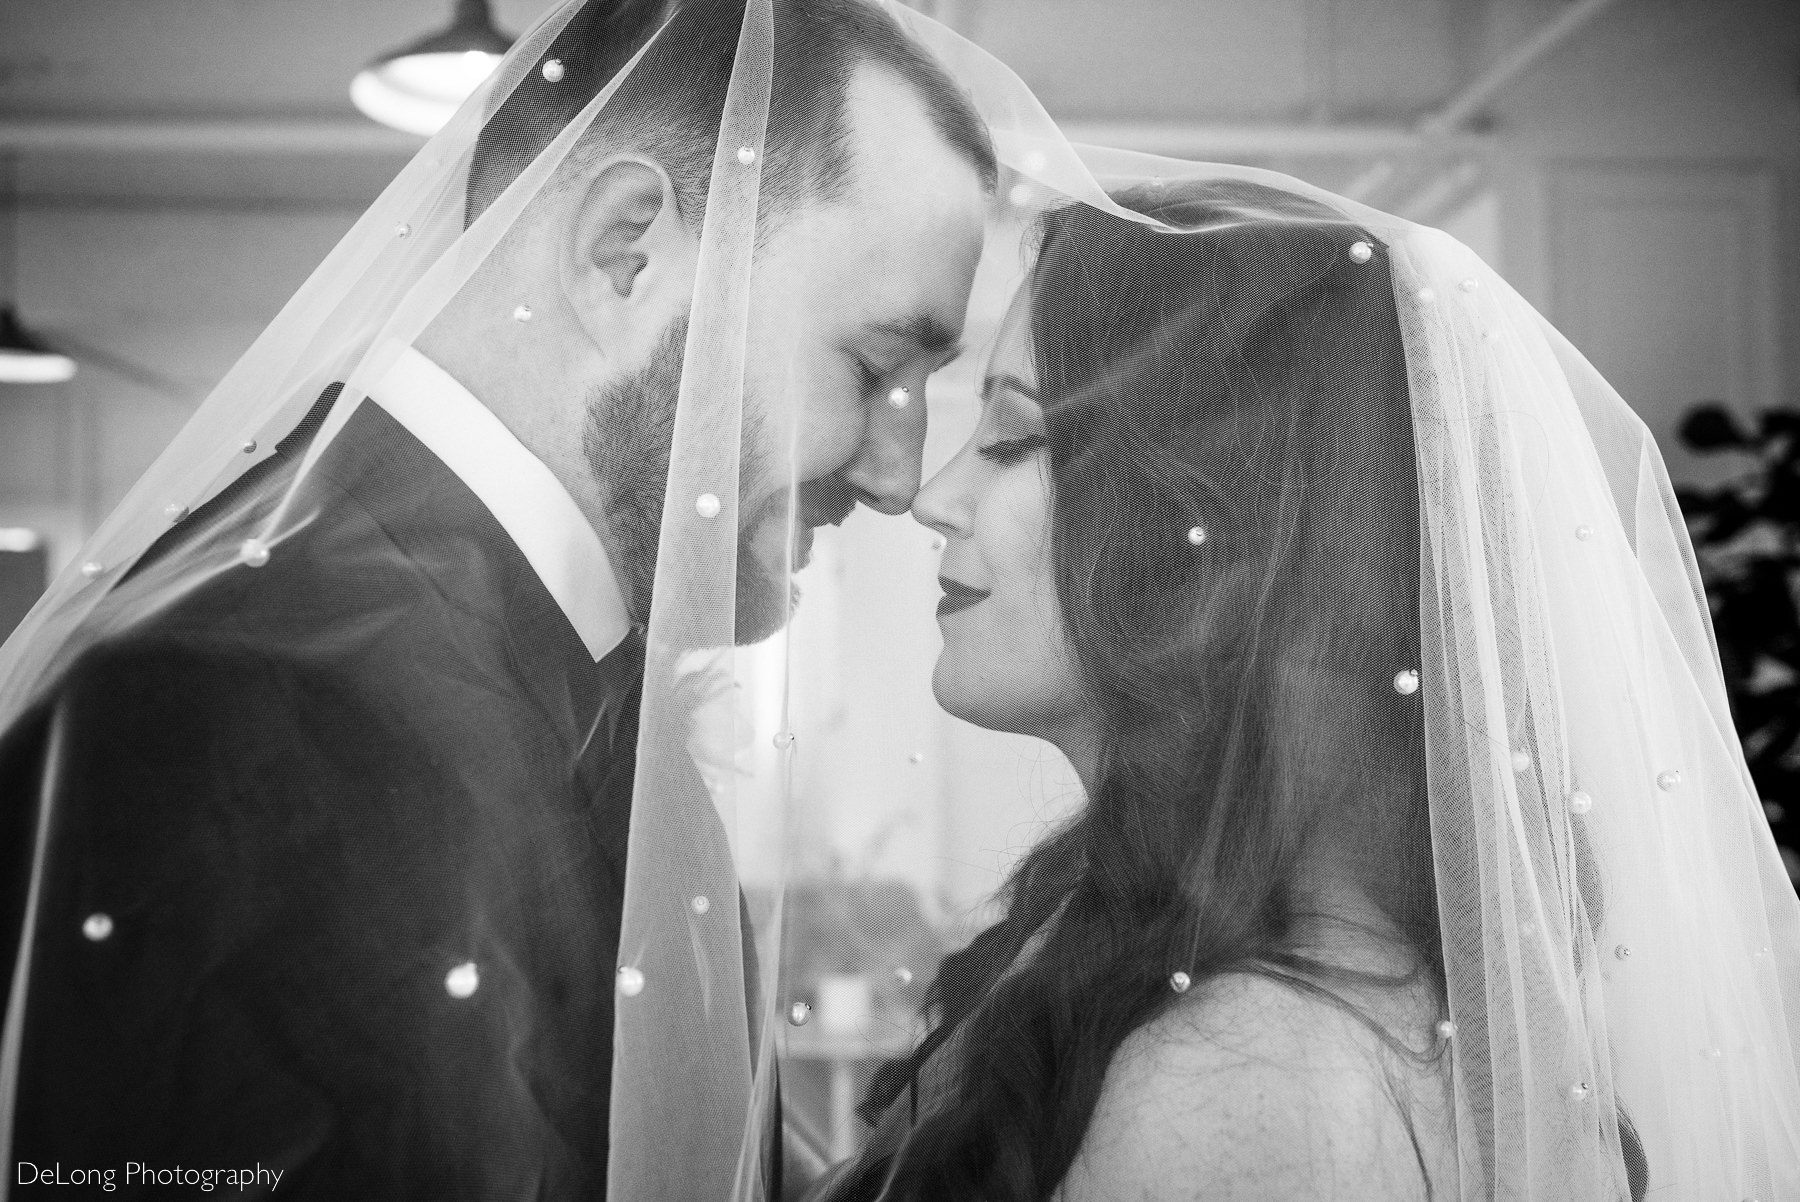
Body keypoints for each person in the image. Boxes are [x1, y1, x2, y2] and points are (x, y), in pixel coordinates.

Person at [0, 0, 992, 1197]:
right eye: (876, 367)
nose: (900, 475)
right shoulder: (232, 707)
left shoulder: (542, 662)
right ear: (624, 252)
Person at [802, 174, 1800, 1199]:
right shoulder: (1165, 943)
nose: (933, 495)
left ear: (1211, 527)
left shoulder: (1239, 1090)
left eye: (1014, 438)